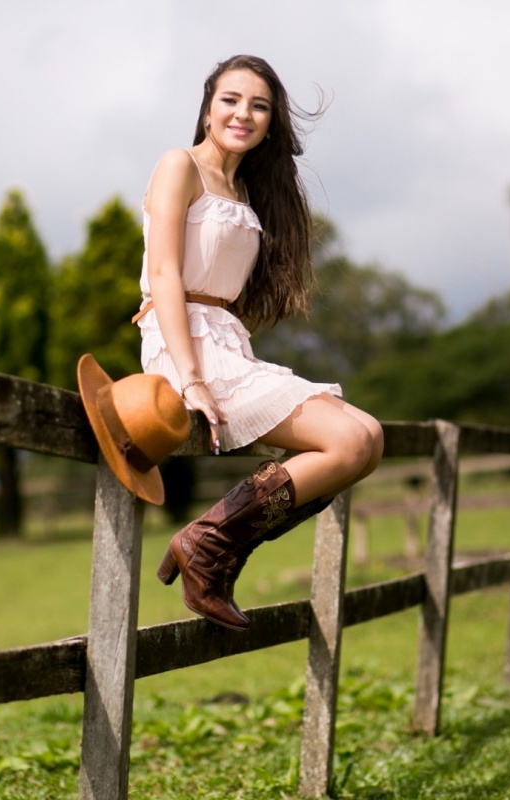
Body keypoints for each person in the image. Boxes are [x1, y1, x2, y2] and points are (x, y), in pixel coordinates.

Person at [134, 55, 384, 631]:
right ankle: (209, 544)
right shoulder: (180, 166)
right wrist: (191, 378)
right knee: (346, 441)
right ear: (207, 106)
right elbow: (167, 275)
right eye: (230, 99)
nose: (242, 113)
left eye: (259, 105)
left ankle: (218, 548)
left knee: (369, 439)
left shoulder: (244, 189)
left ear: (271, 122)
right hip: (183, 346)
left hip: (227, 345)